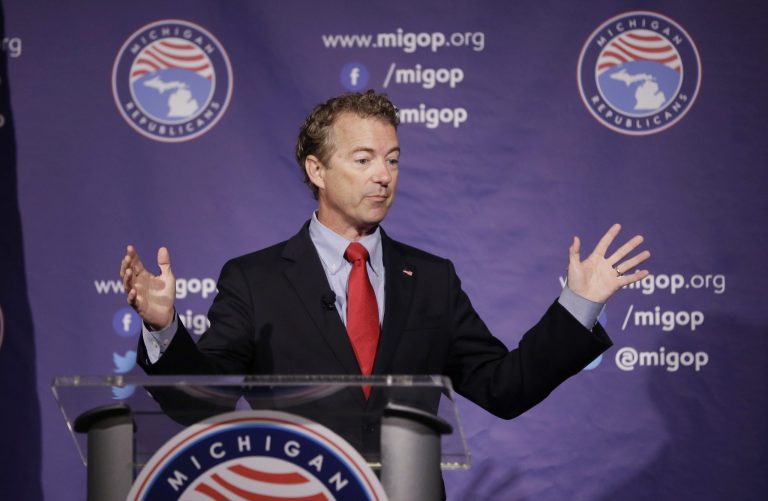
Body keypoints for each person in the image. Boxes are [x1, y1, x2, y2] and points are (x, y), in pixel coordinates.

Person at [120, 90, 650, 422]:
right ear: (317, 170)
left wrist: (578, 304)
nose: (383, 175)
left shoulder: (431, 281)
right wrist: (164, 328)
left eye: (393, 160)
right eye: (364, 158)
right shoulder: (255, 280)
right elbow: (199, 402)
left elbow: (504, 388)